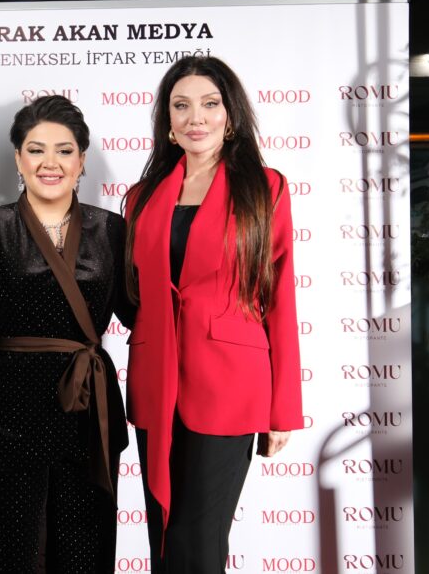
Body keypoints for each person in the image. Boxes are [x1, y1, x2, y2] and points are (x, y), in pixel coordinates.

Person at [123, 56, 303, 572]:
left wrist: (283, 409)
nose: (195, 117)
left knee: (197, 542)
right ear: (167, 121)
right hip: (156, 381)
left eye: (209, 104)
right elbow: (133, 294)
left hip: (229, 384)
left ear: (230, 115)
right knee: (162, 535)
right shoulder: (141, 197)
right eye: (181, 106)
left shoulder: (265, 188)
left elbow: (280, 298)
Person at [0, 95, 132, 573]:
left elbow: (141, 314)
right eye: (36, 150)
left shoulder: (111, 228)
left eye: (64, 150)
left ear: (82, 160)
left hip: (89, 413)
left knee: (85, 553)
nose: (49, 163)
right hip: (8, 413)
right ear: (18, 159)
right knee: (11, 553)